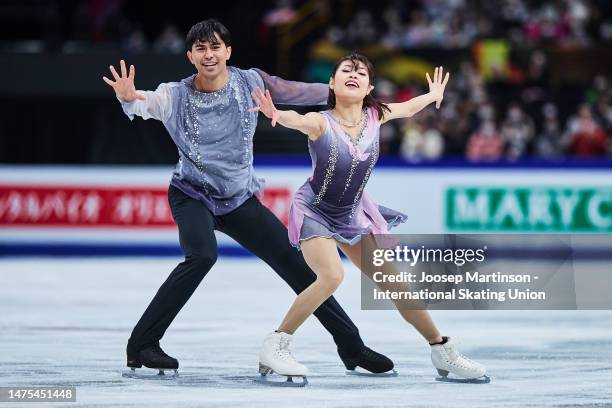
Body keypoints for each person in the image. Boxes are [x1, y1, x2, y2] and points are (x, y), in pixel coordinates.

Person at [102, 19, 393, 376]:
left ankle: (352, 347)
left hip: (239, 199)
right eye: (201, 49)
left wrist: (342, 92)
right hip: (191, 194)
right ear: (190, 56)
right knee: (201, 256)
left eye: (215, 47)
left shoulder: (250, 82)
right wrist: (129, 97)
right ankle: (142, 344)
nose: (209, 55)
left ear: (227, 51)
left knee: (297, 266)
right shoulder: (175, 95)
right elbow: (144, 103)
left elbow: (296, 92)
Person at [251, 52, 487, 381]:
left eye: (360, 72)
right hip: (315, 210)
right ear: (332, 83)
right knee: (331, 276)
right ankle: (277, 343)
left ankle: (442, 351)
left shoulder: (377, 114)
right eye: (346, 70)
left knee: (397, 286)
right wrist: (277, 113)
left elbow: (407, 108)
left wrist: (433, 96)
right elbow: (298, 120)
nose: (353, 74)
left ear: (368, 87)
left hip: (352, 214)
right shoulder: (322, 121)